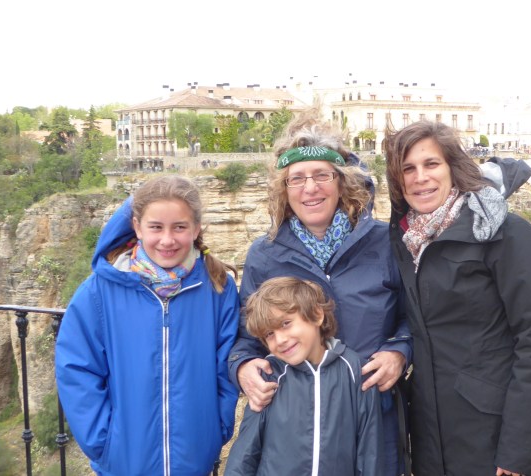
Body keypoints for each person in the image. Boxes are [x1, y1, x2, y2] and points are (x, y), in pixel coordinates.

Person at [384, 121, 531, 476]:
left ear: (453, 167)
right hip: (436, 439)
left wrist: (518, 451)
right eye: (408, 169)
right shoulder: (409, 242)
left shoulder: (508, 234)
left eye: (431, 164)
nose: (420, 177)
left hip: (498, 435)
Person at [228, 110, 412, 476]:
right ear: (284, 190)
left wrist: (399, 352)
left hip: (372, 417)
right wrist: (242, 368)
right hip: (294, 431)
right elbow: (245, 337)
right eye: (296, 179)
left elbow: (415, 317)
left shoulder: (387, 242)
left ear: (342, 182)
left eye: (321, 175)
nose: (309, 188)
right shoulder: (265, 254)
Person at [55, 175, 240, 475]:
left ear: (196, 229)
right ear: (137, 227)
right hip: (124, 461)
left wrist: (215, 429)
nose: (167, 240)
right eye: (156, 227)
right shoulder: (99, 292)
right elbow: (77, 370)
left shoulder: (218, 288)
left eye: (179, 227)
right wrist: (104, 443)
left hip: (194, 459)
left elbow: (226, 364)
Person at [224, 277, 384, 475]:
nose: (280, 340)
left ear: (316, 315)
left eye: (285, 323)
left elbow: (369, 451)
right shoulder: (270, 375)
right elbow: (244, 454)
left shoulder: (355, 370)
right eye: (269, 334)